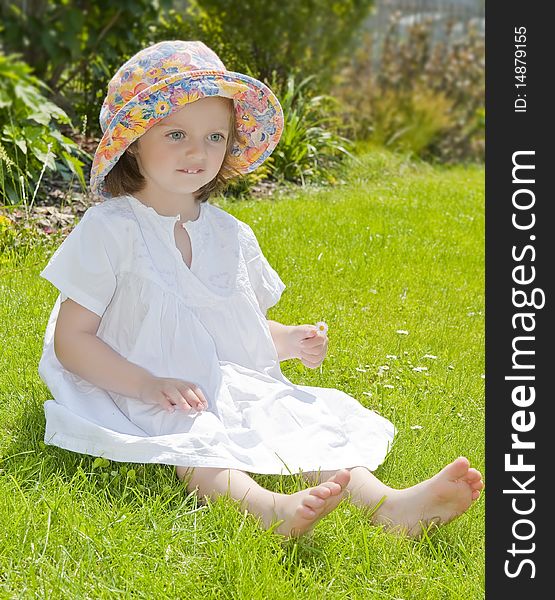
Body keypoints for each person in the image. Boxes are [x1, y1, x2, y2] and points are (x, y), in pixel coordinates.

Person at [38, 40, 483, 539]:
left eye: (214, 137)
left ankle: (389, 505)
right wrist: (145, 383)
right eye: (176, 132)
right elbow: (73, 340)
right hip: (127, 377)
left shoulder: (230, 236)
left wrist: (288, 339)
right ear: (134, 142)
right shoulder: (110, 229)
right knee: (194, 437)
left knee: (289, 417)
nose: (196, 151)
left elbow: (231, 327)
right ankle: (267, 508)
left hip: (213, 377)